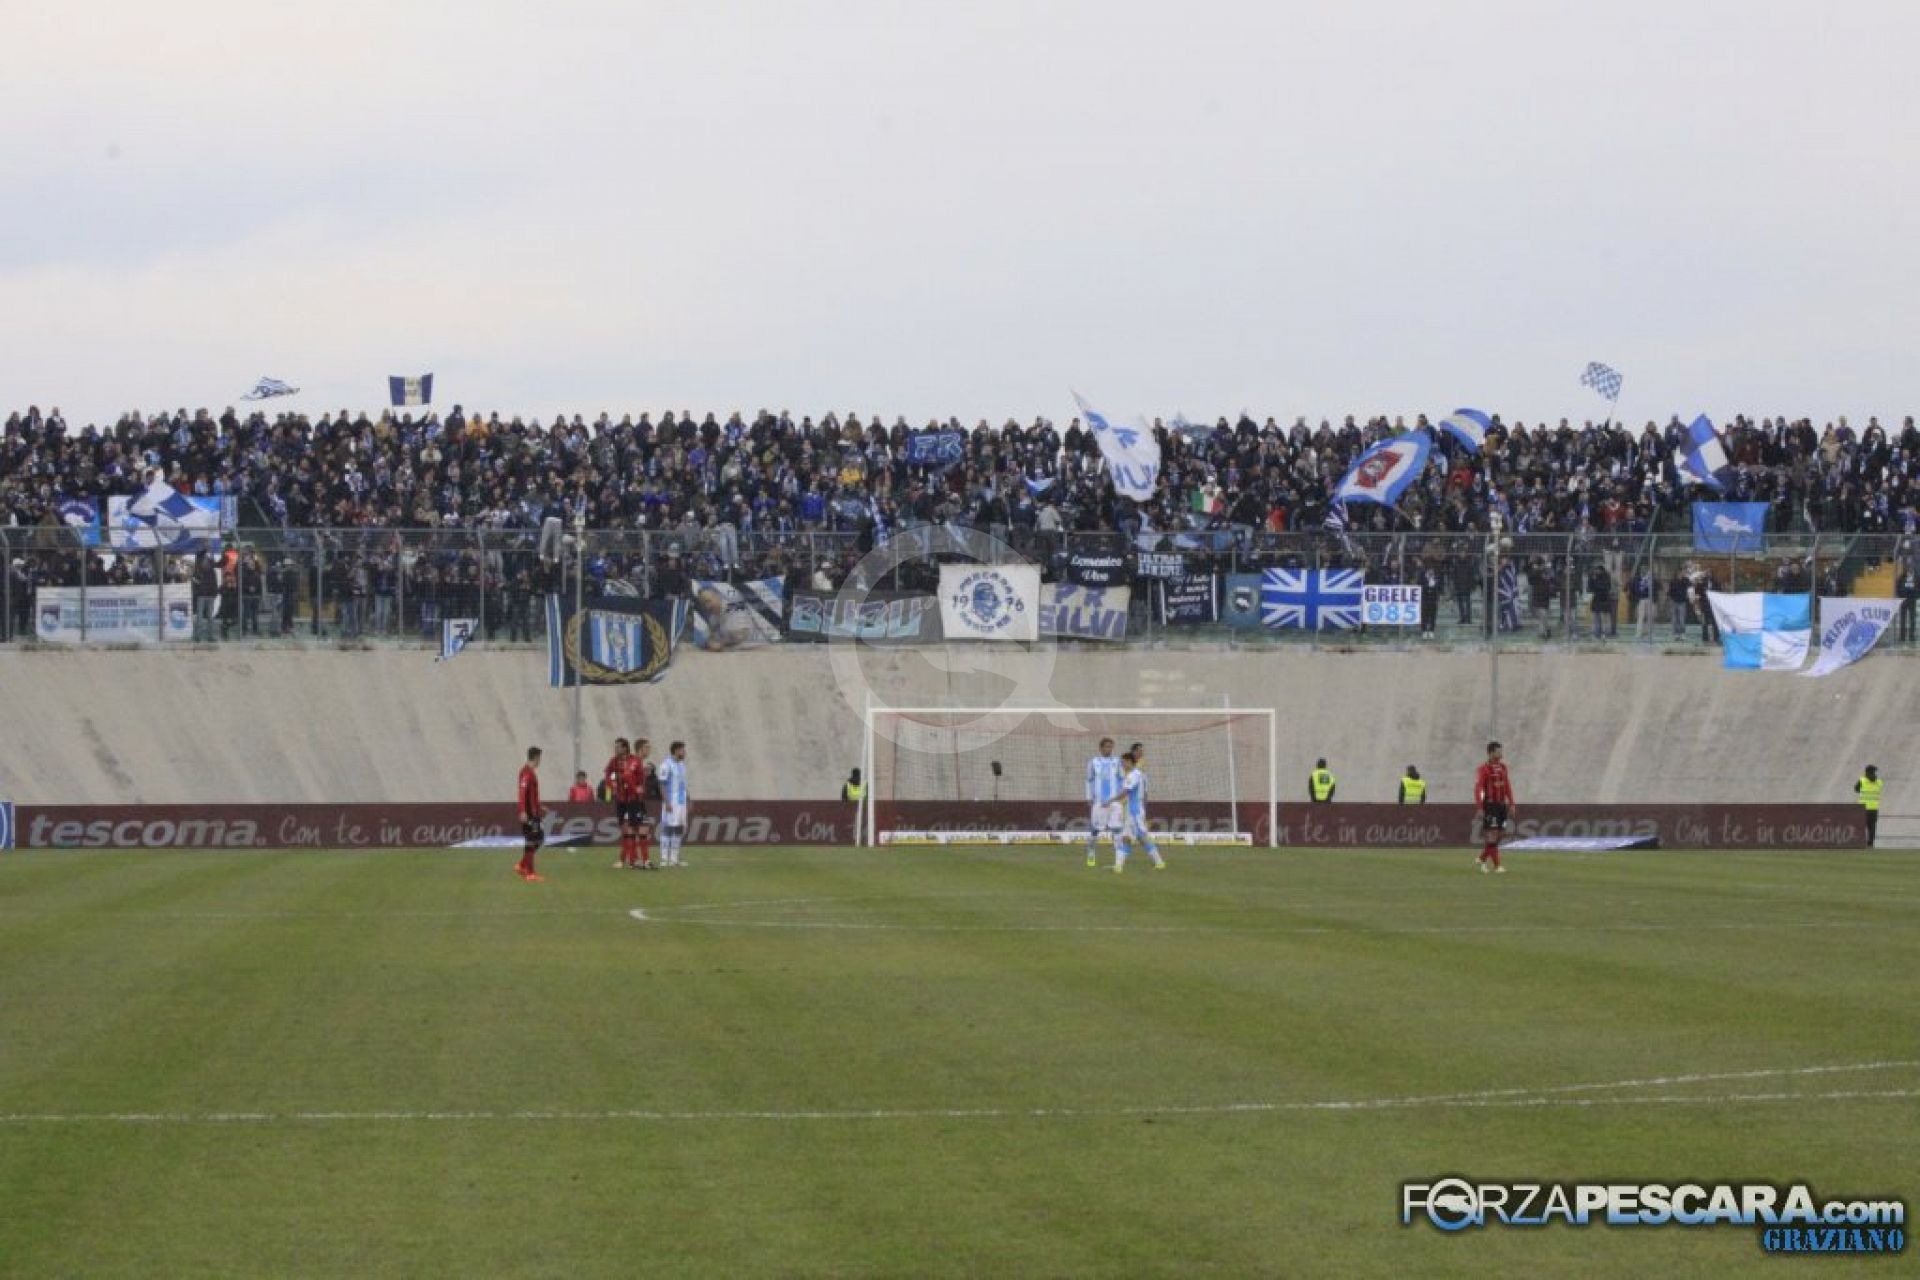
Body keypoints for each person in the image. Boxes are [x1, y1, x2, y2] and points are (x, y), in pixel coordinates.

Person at [1113, 748, 1165, 873]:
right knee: (1126, 838)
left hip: (1134, 811)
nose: (1122, 765)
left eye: (1123, 762)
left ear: (1129, 761)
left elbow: (1126, 792)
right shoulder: (1135, 774)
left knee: (1141, 837)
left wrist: (1110, 801)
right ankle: (1118, 866)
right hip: (1132, 810)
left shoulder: (1134, 775)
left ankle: (1159, 862)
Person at [604, 737, 652, 869]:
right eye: (647, 748)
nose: (615, 749)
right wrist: (613, 785)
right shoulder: (623, 761)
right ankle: (635, 860)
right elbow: (612, 774)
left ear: (625, 748)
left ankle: (633, 860)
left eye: (618, 747)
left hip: (632, 799)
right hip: (628, 800)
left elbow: (626, 776)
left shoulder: (634, 760)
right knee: (632, 830)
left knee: (634, 829)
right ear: (640, 749)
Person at [1473, 740, 1514, 874]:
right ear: (1491, 753)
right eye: (1498, 751)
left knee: (1501, 834)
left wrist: (1511, 803)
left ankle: (1482, 858)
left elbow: (1507, 786)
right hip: (1490, 805)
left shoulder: (1503, 767)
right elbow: (1478, 789)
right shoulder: (1483, 769)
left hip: (1502, 806)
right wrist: (1480, 807)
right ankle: (1497, 866)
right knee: (1493, 834)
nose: (1501, 753)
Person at [1085, 737, 1124, 868]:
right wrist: (1089, 797)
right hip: (1099, 802)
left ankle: (1118, 862)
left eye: (1111, 747)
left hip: (1114, 802)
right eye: (1106, 746)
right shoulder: (1093, 762)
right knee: (1095, 830)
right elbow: (1089, 780)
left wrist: (1121, 797)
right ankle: (1091, 852)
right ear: (1101, 748)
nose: (1109, 749)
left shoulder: (1117, 762)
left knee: (1117, 830)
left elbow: (1122, 779)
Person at [516, 746, 546, 882]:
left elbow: (531, 795)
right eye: (540, 758)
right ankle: (530, 873)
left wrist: (540, 807)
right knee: (532, 840)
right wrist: (523, 811)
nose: (540, 761)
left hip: (533, 812)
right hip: (529, 814)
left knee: (538, 838)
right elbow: (522, 793)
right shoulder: (527, 773)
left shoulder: (529, 772)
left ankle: (522, 865)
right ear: (536, 757)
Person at [657, 741, 689, 867]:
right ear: (676, 751)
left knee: (679, 828)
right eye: (682, 750)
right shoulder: (666, 765)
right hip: (671, 801)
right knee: (668, 828)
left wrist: (688, 799)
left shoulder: (682, 765)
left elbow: (683, 783)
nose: (684, 752)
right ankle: (664, 858)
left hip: (681, 802)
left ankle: (674, 859)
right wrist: (667, 802)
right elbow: (662, 785)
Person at [1855, 765, 1883, 847]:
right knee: (1872, 826)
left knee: (1861, 825)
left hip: (1863, 807)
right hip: (1874, 808)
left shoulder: (1862, 780)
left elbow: (1856, 789)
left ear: (1866, 772)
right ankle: (1870, 843)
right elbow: (1879, 788)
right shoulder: (1879, 782)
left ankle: (1860, 842)